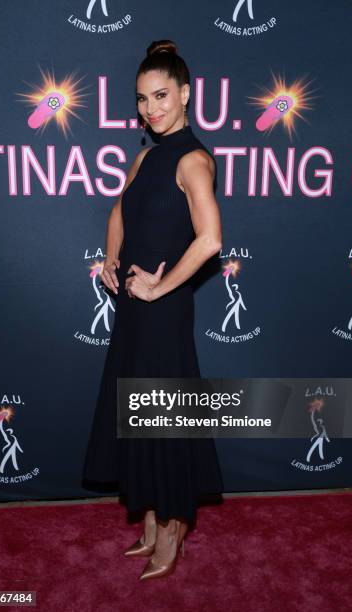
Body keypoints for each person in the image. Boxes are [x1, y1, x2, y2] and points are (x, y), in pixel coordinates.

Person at [82, 39, 224, 580]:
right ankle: (148, 519)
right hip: (132, 309)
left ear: (186, 94)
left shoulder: (193, 159)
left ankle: (173, 526)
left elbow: (210, 239)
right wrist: (111, 258)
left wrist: (159, 290)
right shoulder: (145, 155)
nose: (151, 108)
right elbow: (119, 210)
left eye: (161, 95)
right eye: (142, 99)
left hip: (162, 311)